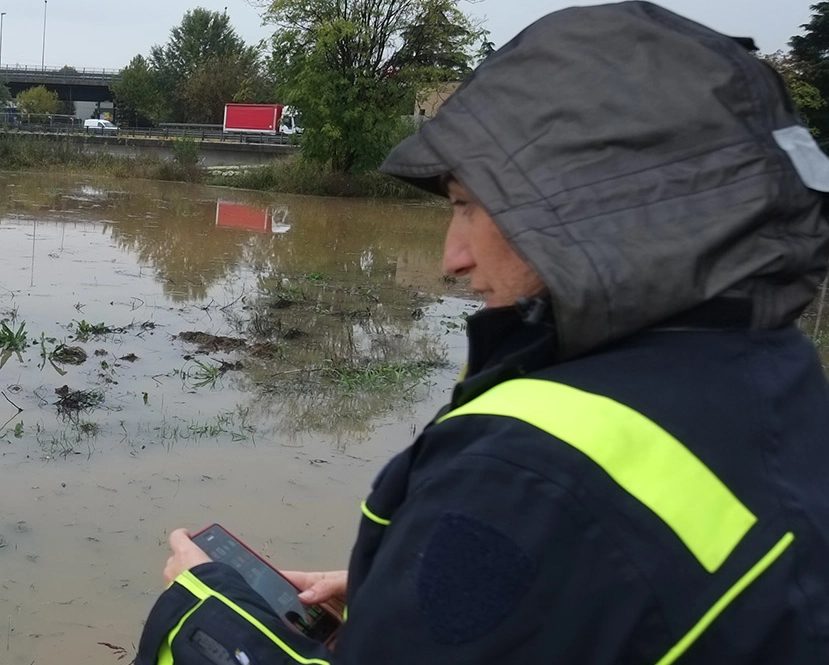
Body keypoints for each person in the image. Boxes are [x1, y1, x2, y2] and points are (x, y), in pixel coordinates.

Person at [135, 2, 829, 663]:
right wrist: (419, 609)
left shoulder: (525, 469)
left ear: (588, 214)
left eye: (467, 206)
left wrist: (205, 611)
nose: (451, 258)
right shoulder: (776, 372)